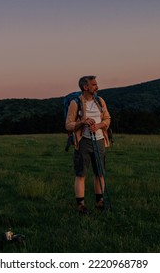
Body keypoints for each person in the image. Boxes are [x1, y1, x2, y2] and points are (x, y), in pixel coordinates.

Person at [65, 75, 111, 214]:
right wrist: (82, 122)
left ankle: (99, 201)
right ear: (86, 87)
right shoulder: (75, 103)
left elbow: (108, 119)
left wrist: (98, 125)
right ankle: (81, 205)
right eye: (94, 84)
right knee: (81, 174)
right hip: (83, 142)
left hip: (100, 140)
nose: (97, 87)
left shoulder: (100, 101)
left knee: (100, 173)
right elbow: (68, 125)